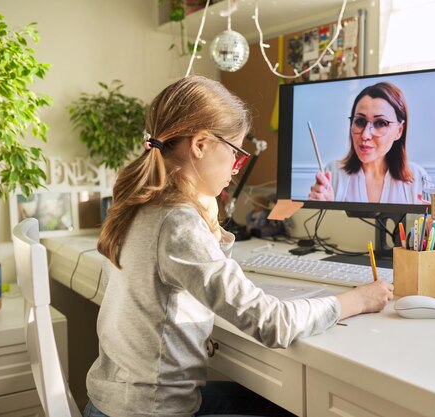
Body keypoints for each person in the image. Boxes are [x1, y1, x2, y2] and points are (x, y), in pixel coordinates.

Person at [83, 76, 393, 417]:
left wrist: (209, 219)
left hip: (113, 400)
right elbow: (273, 323)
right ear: (200, 144)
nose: (235, 166)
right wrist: (357, 300)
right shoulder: (178, 223)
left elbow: (200, 277)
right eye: (235, 152)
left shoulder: (143, 203)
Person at [308, 82, 433, 204]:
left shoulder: (418, 179)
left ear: (399, 131)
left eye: (380, 123)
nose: (365, 135)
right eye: (360, 122)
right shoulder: (333, 173)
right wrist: (321, 209)